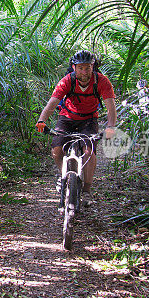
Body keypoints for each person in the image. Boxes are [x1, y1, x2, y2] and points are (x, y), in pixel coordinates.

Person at [35, 50, 117, 198]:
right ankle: (63, 175)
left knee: (88, 151)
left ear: (93, 67)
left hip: (89, 119)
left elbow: (111, 108)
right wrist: (42, 120)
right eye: (80, 68)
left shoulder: (102, 81)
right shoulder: (67, 81)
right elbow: (52, 104)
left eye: (87, 68)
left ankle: (86, 189)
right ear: (74, 67)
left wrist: (110, 127)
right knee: (57, 149)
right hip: (67, 117)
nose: (84, 72)